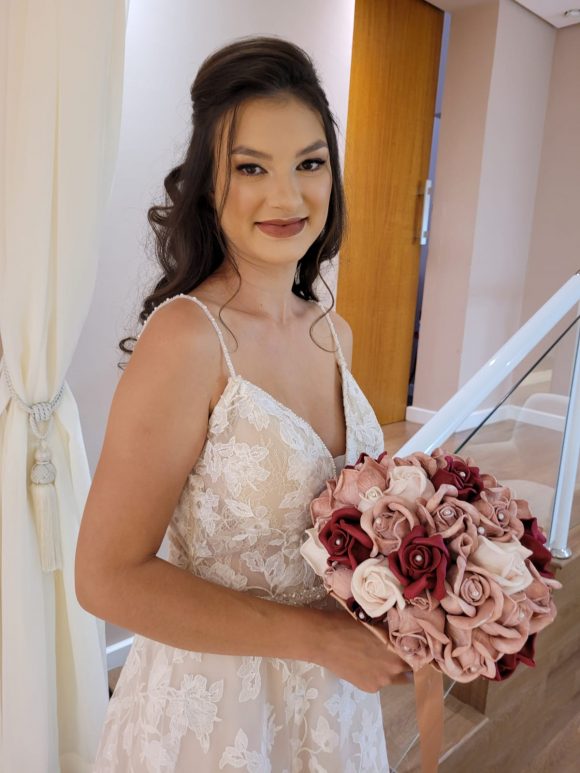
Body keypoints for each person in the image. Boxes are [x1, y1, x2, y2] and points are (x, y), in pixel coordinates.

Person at [76, 35, 410, 772]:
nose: (287, 197)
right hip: (217, 716)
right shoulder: (188, 340)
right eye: (251, 167)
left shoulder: (335, 332)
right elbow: (105, 576)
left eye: (309, 164)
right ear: (208, 183)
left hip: (331, 705)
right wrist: (316, 638)